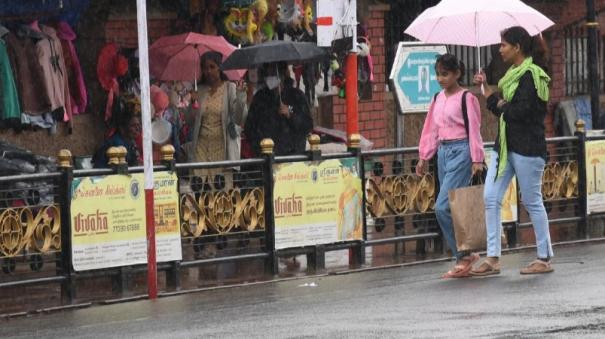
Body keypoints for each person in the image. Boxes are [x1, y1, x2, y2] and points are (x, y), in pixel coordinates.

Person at [472, 26, 554, 276]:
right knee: (490, 197)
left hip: (528, 147)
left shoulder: (532, 75)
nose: (500, 49)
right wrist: (488, 91)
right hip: (505, 146)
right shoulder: (511, 75)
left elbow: (523, 112)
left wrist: (500, 104)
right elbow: (504, 108)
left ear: (517, 47)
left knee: (531, 200)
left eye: (504, 44)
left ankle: (544, 256)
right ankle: (493, 257)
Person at [415, 54, 485, 278]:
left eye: (445, 74)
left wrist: (476, 158)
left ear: (457, 74)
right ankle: (466, 255)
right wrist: (424, 156)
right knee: (453, 208)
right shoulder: (437, 98)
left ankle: (463, 256)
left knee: (442, 206)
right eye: (437, 74)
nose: (440, 78)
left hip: (462, 151)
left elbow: (475, 130)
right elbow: (431, 129)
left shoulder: (467, 99)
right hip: (443, 153)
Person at [183, 51, 248, 188]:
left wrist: (241, 96)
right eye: (205, 68)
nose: (208, 71)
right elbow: (189, 121)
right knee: (200, 193)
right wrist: (192, 103)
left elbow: (239, 118)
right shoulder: (199, 90)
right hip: (200, 149)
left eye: (212, 67)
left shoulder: (229, 88)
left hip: (222, 148)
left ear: (219, 67)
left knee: (222, 195)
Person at [244, 62, 313, 157]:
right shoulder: (260, 97)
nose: (269, 77)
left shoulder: (297, 96)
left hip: (292, 158)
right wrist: (258, 147)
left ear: (282, 74)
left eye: (273, 73)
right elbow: (249, 128)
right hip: (265, 158)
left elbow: (307, 126)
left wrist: (290, 113)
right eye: (267, 74)